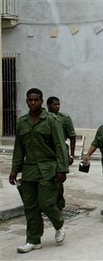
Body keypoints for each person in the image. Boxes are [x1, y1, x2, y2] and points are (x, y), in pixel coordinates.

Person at [9, 88, 69, 253]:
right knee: (30, 206)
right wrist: (15, 169)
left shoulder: (51, 120)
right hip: (29, 170)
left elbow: (60, 145)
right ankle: (33, 240)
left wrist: (62, 169)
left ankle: (59, 224)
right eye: (30, 100)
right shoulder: (23, 122)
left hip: (47, 168)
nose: (33, 103)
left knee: (46, 202)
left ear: (42, 101)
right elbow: (19, 148)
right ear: (27, 101)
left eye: (36, 100)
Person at [46, 96, 76, 210]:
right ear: (48, 105)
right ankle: (49, 203)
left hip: (60, 153)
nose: (57, 106)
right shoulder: (43, 118)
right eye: (55, 104)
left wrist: (71, 155)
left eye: (58, 104)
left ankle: (59, 204)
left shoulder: (64, 118)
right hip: (47, 153)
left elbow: (72, 137)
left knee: (59, 180)